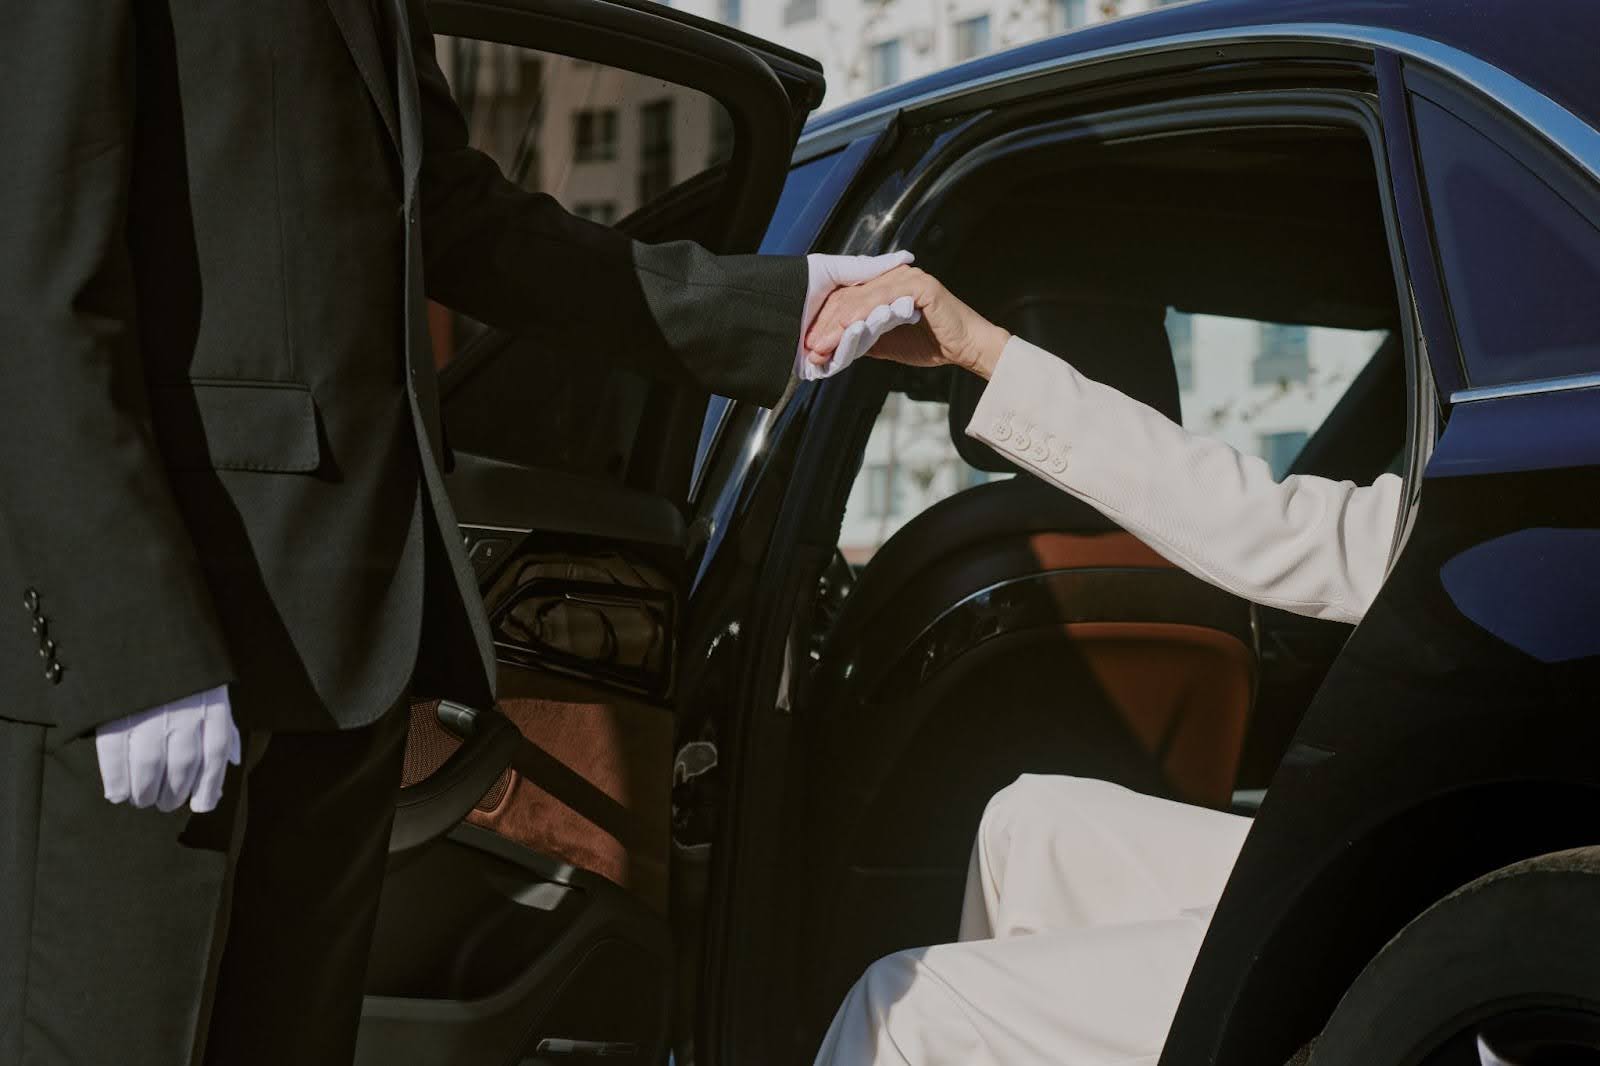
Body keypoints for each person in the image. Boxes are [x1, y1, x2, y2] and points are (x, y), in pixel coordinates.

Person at [0, 1, 910, 1062]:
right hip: (156, 664)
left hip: (341, 646)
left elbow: (460, 217)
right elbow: (26, 287)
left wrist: (772, 307)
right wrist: (134, 645)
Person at [796, 265, 1407, 1065]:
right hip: (1418, 862)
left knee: (905, 1010)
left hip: (1453, 908)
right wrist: (981, 351)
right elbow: (1263, 523)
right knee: (1028, 823)